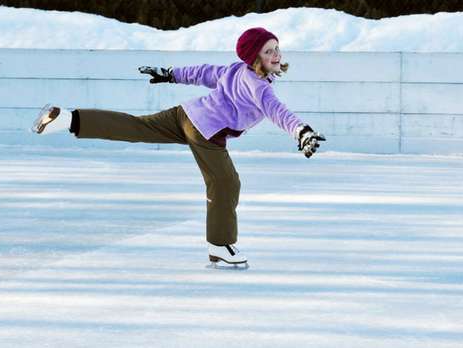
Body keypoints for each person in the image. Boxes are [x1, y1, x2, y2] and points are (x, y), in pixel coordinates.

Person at [31, 27, 326, 267]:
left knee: (136, 126)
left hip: (185, 115)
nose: (276, 54)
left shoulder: (235, 70)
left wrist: (168, 73)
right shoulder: (259, 86)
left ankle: (69, 120)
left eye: (277, 48)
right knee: (225, 183)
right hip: (206, 130)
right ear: (254, 58)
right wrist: (301, 131)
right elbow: (277, 110)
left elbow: (203, 72)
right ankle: (220, 244)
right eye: (268, 51)